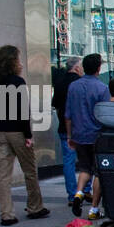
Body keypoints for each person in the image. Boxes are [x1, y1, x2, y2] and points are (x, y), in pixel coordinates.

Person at [0, 45, 49, 226]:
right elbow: (23, 111)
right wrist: (28, 134)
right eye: (18, 59)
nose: (21, 63)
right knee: (29, 171)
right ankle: (35, 207)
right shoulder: (18, 82)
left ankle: (6, 214)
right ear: (13, 61)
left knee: (3, 175)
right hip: (17, 131)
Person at [64, 52, 110, 218]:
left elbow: (68, 115)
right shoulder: (102, 88)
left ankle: (78, 193)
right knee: (98, 172)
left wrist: (70, 136)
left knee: (84, 168)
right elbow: (105, 115)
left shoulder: (73, 87)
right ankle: (94, 209)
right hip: (97, 135)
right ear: (98, 69)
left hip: (79, 134)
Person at [51, 56, 82, 199]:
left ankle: (71, 194)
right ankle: (84, 191)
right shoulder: (80, 83)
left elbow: (56, 106)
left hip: (64, 127)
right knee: (85, 162)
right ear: (76, 68)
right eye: (81, 66)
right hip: (81, 128)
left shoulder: (59, 83)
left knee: (68, 162)